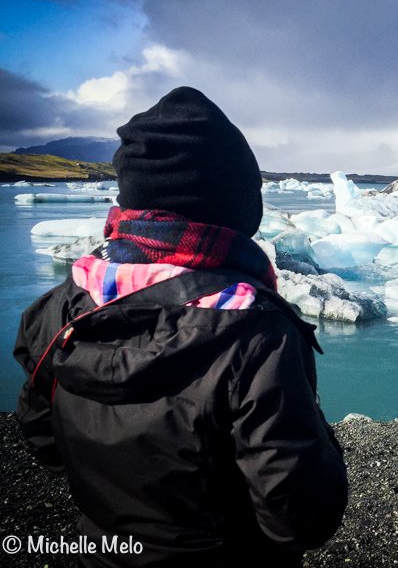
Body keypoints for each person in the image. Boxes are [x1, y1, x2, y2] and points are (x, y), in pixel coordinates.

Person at [13, 86, 348, 567]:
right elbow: (298, 514)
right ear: (231, 203)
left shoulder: (61, 306)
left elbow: (44, 440)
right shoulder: (254, 330)